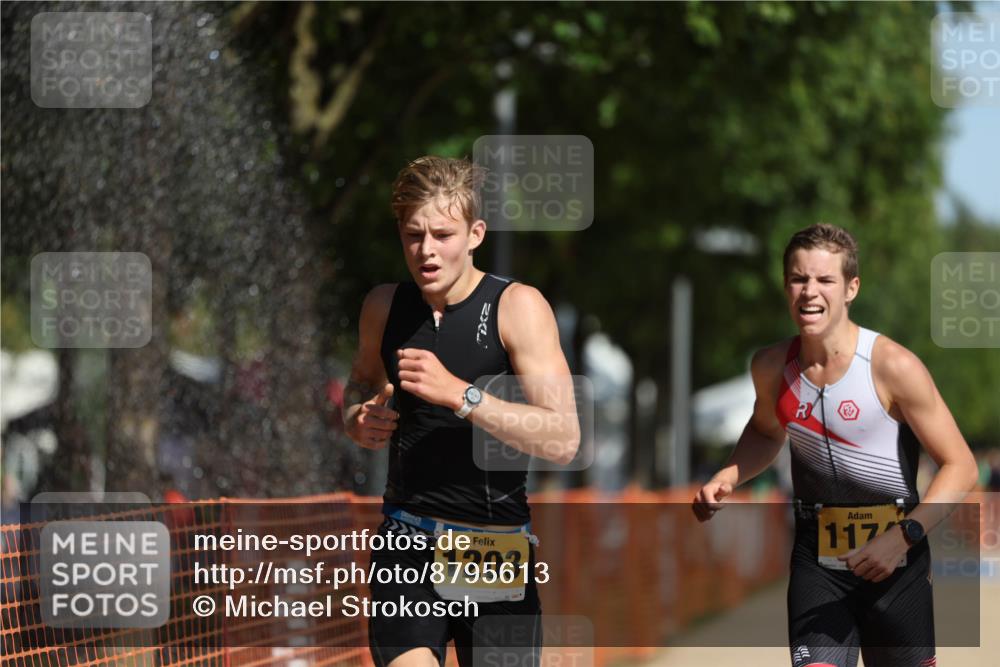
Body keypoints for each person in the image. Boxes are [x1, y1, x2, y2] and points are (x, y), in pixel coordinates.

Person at [692, 223, 978, 667]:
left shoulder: (892, 366)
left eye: (825, 280)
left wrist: (904, 537)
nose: (810, 292)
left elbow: (961, 466)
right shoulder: (771, 366)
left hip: (896, 557)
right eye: (798, 278)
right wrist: (728, 475)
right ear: (785, 285)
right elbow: (767, 431)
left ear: (851, 288)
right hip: (817, 559)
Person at [343, 156, 580, 667]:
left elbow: (563, 438)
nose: (426, 250)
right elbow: (362, 381)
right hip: (408, 539)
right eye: (413, 235)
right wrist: (355, 417)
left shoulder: (517, 307)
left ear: (475, 234)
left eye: (443, 234)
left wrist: (461, 395)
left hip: (492, 548)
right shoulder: (384, 307)